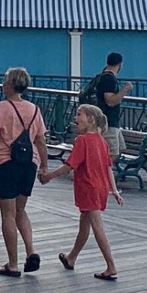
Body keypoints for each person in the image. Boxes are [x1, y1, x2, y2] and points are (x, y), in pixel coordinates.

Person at [0, 67, 49, 278]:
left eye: (5, 80)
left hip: (6, 163)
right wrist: (44, 167)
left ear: (10, 84)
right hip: (29, 164)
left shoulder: (0, 108)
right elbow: (41, 141)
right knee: (20, 210)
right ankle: (31, 251)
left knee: (7, 213)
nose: (2, 83)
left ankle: (13, 264)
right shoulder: (34, 109)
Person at [39, 104, 122, 281]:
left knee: (97, 227)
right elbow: (108, 168)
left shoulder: (82, 141)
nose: (75, 118)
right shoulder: (102, 141)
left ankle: (111, 266)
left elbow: (70, 165)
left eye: (79, 114)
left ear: (91, 119)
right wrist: (113, 189)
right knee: (84, 225)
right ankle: (71, 258)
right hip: (100, 188)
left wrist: (49, 176)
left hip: (88, 188)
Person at [91, 52, 132, 162]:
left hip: (110, 121)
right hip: (108, 121)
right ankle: (101, 173)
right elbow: (110, 101)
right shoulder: (109, 79)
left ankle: (104, 172)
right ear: (120, 64)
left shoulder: (102, 76)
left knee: (120, 148)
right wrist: (125, 89)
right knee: (112, 153)